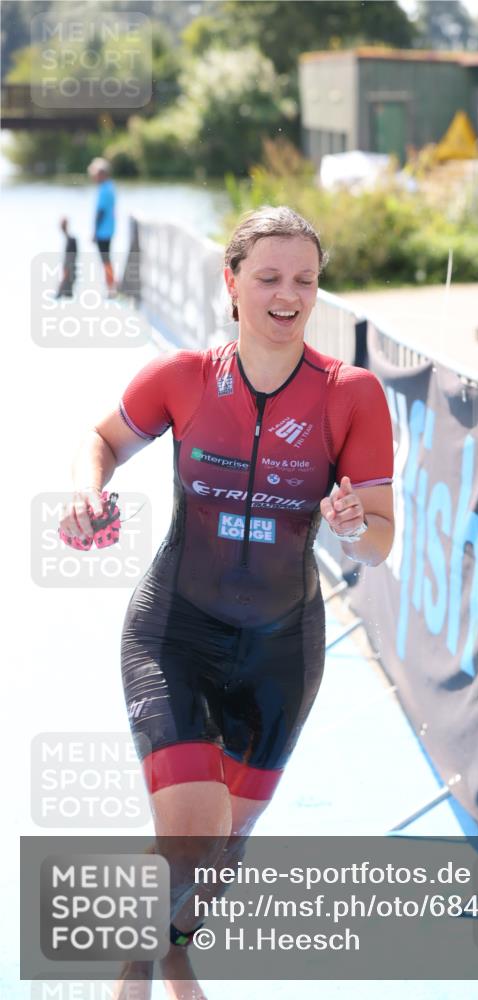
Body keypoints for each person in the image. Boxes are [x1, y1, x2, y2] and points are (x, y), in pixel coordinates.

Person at [59, 206, 395, 1000]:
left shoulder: (352, 394)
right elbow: (100, 439)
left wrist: (352, 528)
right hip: (175, 630)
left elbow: (380, 541)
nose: (288, 295)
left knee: (223, 850)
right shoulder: (181, 377)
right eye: (270, 278)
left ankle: (175, 950)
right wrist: (86, 492)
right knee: (189, 833)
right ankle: (130, 969)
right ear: (232, 283)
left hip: (281, 651)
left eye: (305, 281)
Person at [87, 156, 117, 297]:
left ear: (102, 174)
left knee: (105, 259)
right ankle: (111, 284)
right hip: (109, 229)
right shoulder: (110, 186)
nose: (94, 178)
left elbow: (100, 212)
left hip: (103, 231)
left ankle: (111, 286)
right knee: (106, 259)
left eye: (96, 175)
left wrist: (94, 231)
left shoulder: (104, 189)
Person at [55, 217, 77, 298]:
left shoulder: (71, 240)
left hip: (69, 270)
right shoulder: (70, 239)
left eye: (62, 225)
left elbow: (71, 259)